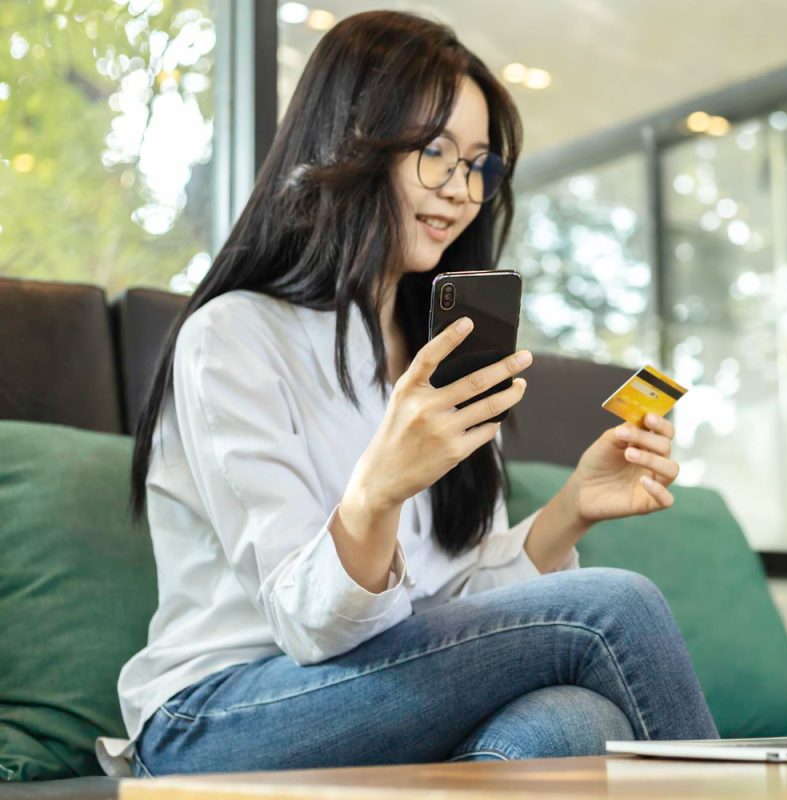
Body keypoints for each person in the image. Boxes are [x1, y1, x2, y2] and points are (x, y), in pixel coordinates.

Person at [98, 10, 717, 778]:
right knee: (616, 607)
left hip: (374, 690)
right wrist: (378, 490)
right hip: (220, 710)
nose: (461, 191)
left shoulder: (443, 353)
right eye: (435, 154)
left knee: (569, 722)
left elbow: (451, 602)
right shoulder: (233, 337)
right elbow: (307, 623)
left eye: (479, 164)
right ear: (350, 144)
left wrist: (572, 508)